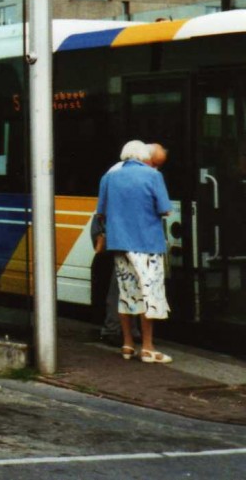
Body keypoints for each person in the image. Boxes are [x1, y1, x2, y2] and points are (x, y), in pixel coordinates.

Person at [97, 139, 174, 363]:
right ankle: (148, 348)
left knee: (127, 294)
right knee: (150, 294)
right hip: (147, 244)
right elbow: (165, 209)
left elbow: (101, 212)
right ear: (144, 157)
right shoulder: (153, 176)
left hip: (119, 244)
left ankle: (127, 344)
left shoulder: (109, 177)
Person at [92, 140, 144, 344]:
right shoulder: (124, 174)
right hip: (122, 235)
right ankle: (115, 330)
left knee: (123, 283)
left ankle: (124, 330)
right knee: (120, 284)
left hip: (116, 233)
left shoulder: (116, 172)